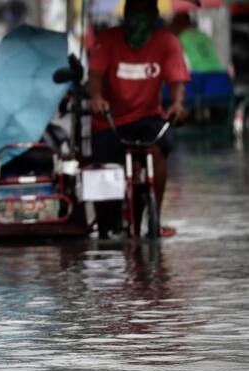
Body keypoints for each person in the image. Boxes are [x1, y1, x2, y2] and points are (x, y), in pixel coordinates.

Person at [88, 0, 189, 238]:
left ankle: (155, 217)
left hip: (148, 117)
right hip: (109, 119)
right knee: (104, 169)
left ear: (154, 14)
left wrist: (177, 105)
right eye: (135, 11)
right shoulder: (107, 39)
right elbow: (94, 76)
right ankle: (108, 220)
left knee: (160, 150)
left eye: (144, 11)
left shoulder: (167, 42)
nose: (139, 18)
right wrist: (96, 99)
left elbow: (177, 80)